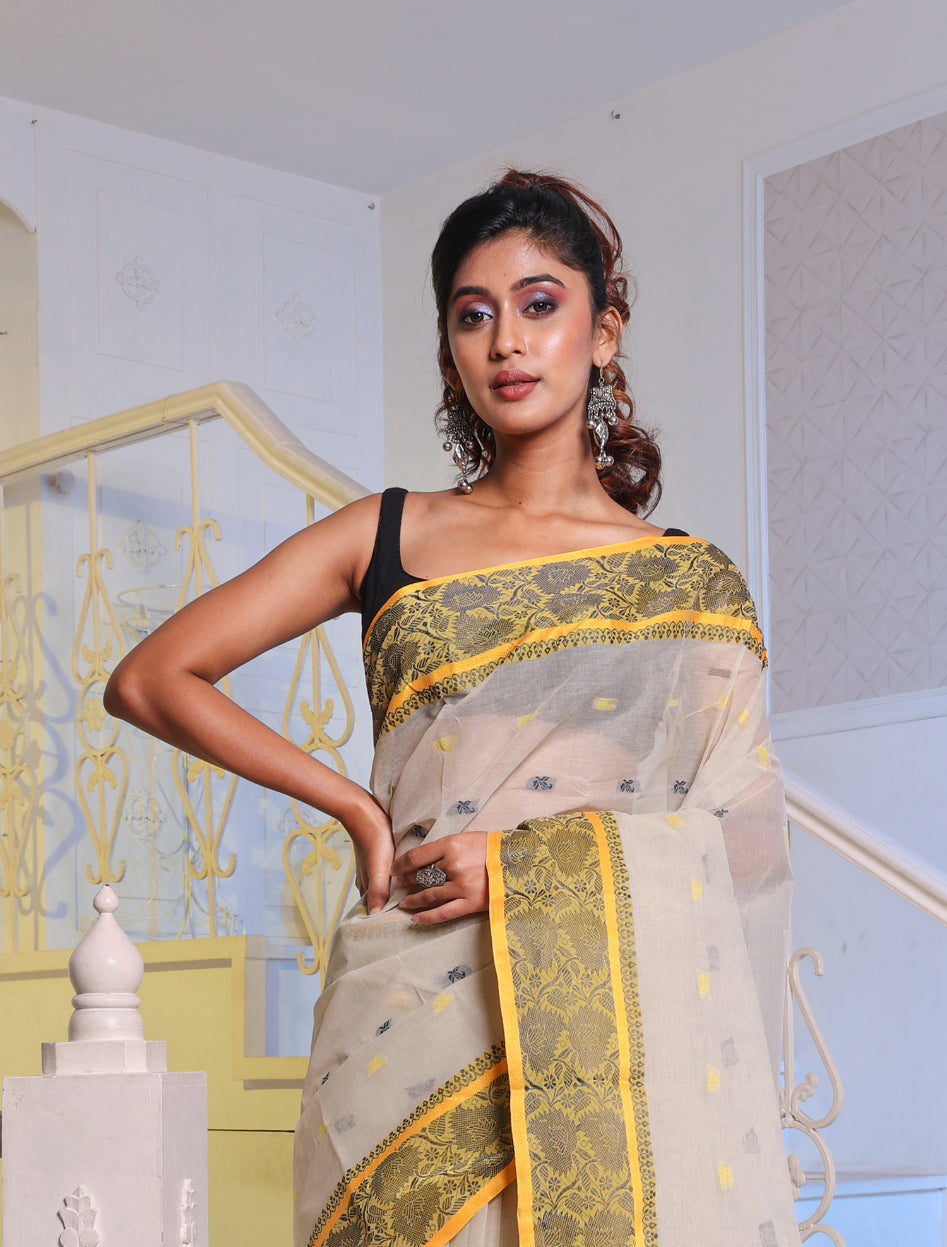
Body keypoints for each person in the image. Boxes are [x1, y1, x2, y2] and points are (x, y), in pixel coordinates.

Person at [105, 170, 799, 1247]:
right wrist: (355, 809)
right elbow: (151, 678)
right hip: (411, 1011)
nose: (506, 341)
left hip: (612, 1040)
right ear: (448, 353)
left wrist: (521, 868)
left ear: (602, 333)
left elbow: (738, 843)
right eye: (472, 317)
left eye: (539, 305)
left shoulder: (688, 586)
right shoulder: (382, 534)